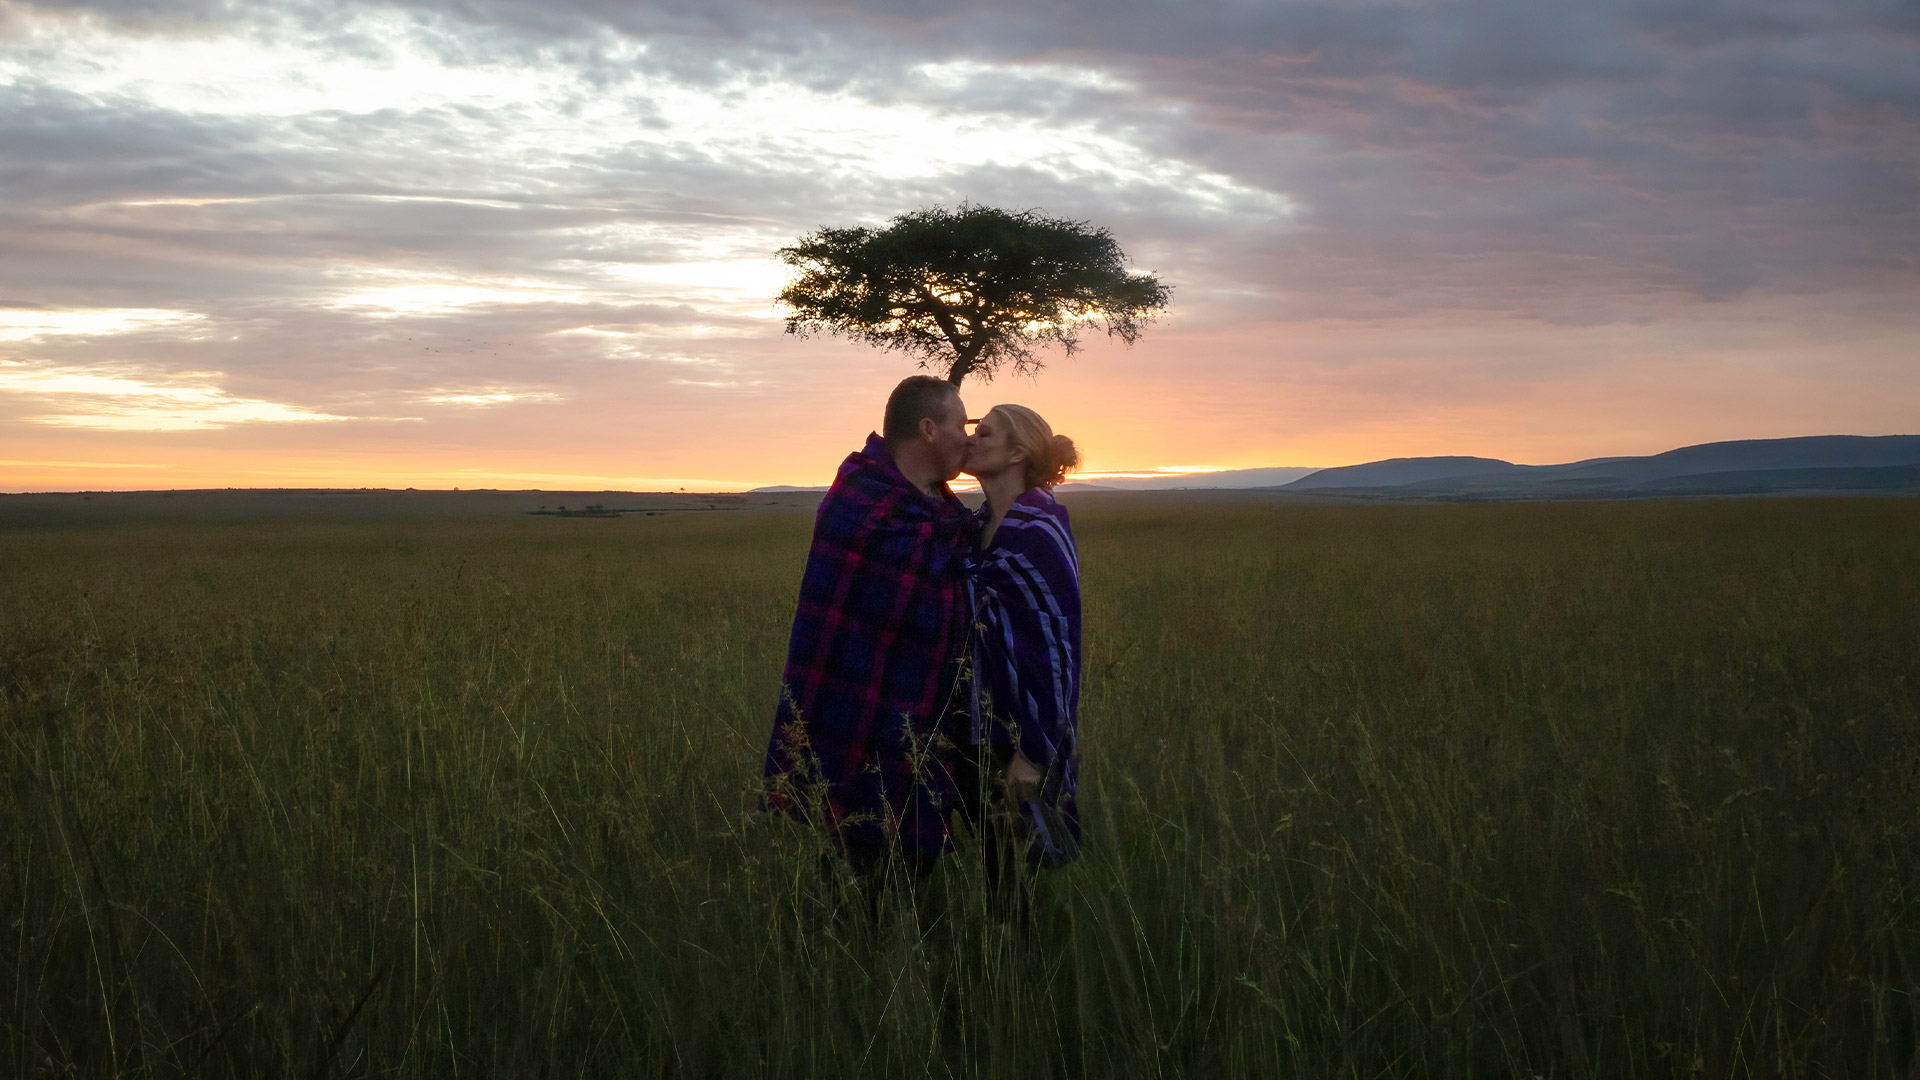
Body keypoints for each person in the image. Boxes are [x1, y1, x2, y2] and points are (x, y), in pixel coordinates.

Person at [763, 375, 978, 879]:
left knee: (909, 873)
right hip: (854, 710)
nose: (967, 438)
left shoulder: (940, 508)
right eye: (960, 424)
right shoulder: (864, 499)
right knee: (852, 872)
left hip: (923, 721)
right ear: (927, 428)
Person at [958, 404, 1083, 873]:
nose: (971, 440)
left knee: (1017, 874)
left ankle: (1023, 949)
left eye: (985, 434)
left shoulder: (1039, 530)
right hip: (972, 723)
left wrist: (1034, 751)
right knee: (990, 862)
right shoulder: (970, 529)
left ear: (1017, 453)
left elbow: (1058, 653)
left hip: (1023, 730)